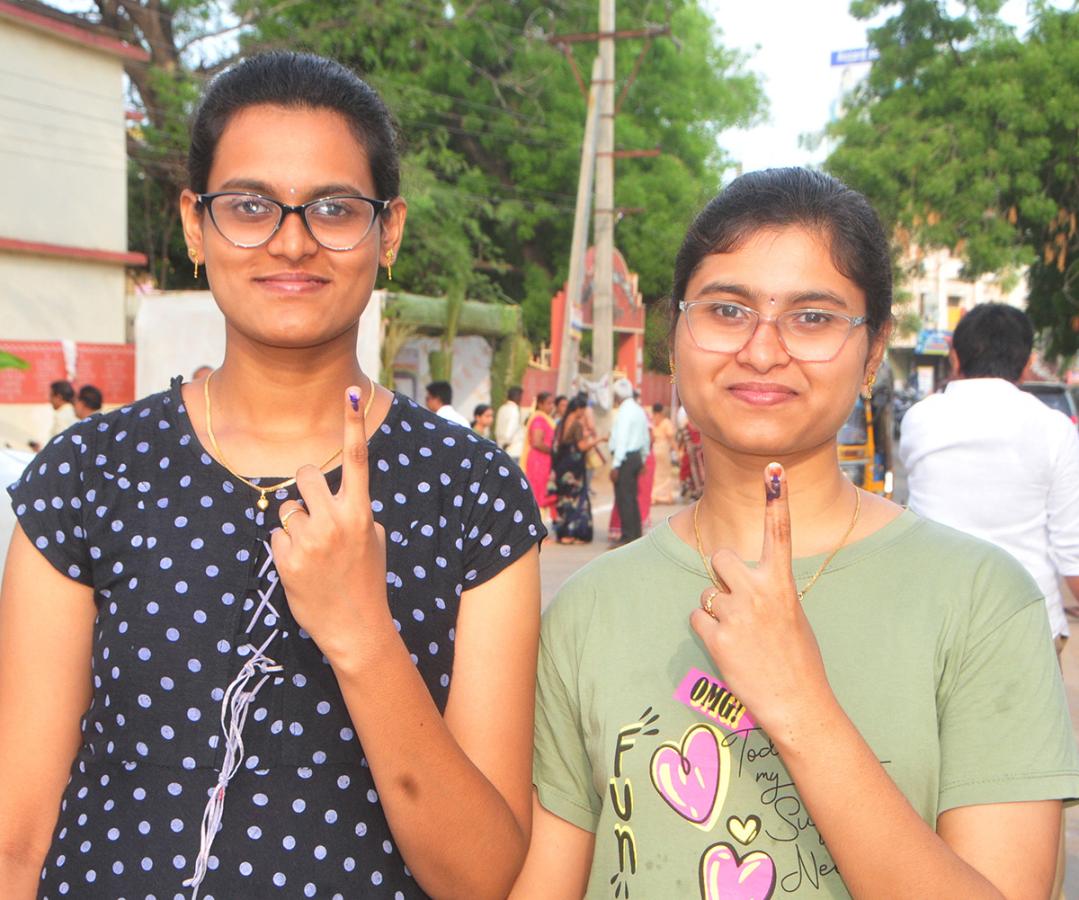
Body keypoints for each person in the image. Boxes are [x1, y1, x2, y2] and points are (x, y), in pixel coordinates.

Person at [0, 52, 544, 899]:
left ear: (387, 230)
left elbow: (480, 874)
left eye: (333, 208)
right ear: (194, 224)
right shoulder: (87, 477)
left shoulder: (471, 495)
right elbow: (17, 837)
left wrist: (362, 631)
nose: (292, 240)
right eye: (249, 206)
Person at [513, 168, 1078, 899]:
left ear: (873, 350)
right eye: (725, 309)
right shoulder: (588, 607)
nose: (761, 349)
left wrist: (798, 705)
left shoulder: (982, 603)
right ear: (675, 334)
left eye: (812, 317)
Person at [900, 302, 1079, 652]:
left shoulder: (918, 420)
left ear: (955, 357)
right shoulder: (1054, 428)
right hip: (1029, 622)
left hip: (937, 624)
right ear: (1028, 364)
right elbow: (1071, 547)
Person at [551, 397, 601, 544]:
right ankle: (575, 533)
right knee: (577, 499)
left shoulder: (560, 423)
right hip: (574, 469)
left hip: (562, 467)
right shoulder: (577, 425)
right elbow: (581, 447)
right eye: (584, 409)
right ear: (579, 409)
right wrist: (599, 440)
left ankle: (563, 533)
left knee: (564, 498)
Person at [606, 378, 650, 544]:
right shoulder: (639, 410)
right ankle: (635, 533)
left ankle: (628, 536)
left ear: (617, 396)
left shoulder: (625, 412)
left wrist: (616, 465)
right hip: (636, 457)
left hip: (625, 458)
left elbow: (622, 440)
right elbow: (645, 438)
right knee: (631, 497)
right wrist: (644, 458)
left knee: (624, 498)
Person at [520, 392, 557, 519]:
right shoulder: (539, 419)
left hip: (544, 461)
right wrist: (554, 451)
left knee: (542, 493)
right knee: (537, 494)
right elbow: (537, 442)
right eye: (548, 403)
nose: (551, 406)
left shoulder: (546, 418)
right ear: (540, 404)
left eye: (552, 403)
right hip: (538, 461)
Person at [28, 380, 77, 453]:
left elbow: (59, 443)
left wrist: (42, 451)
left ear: (59, 397)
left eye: (51, 396)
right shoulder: (73, 412)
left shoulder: (62, 415)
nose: (50, 400)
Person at [650, 403, 677, 505]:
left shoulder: (651, 421)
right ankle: (665, 497)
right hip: (664, 448)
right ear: (662, 411)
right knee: (665, 473)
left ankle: (654, 496)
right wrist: (677, 451)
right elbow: (671, 438)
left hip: (654, 448)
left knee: (655, 473)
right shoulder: (666, 422)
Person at [496, 385, 526, 459]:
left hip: (501, 447)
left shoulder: (502, 408)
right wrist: (505, 443)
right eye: (521, 397)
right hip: (513, 450)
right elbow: (510, 429)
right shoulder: (514, 409)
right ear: (517, 396)